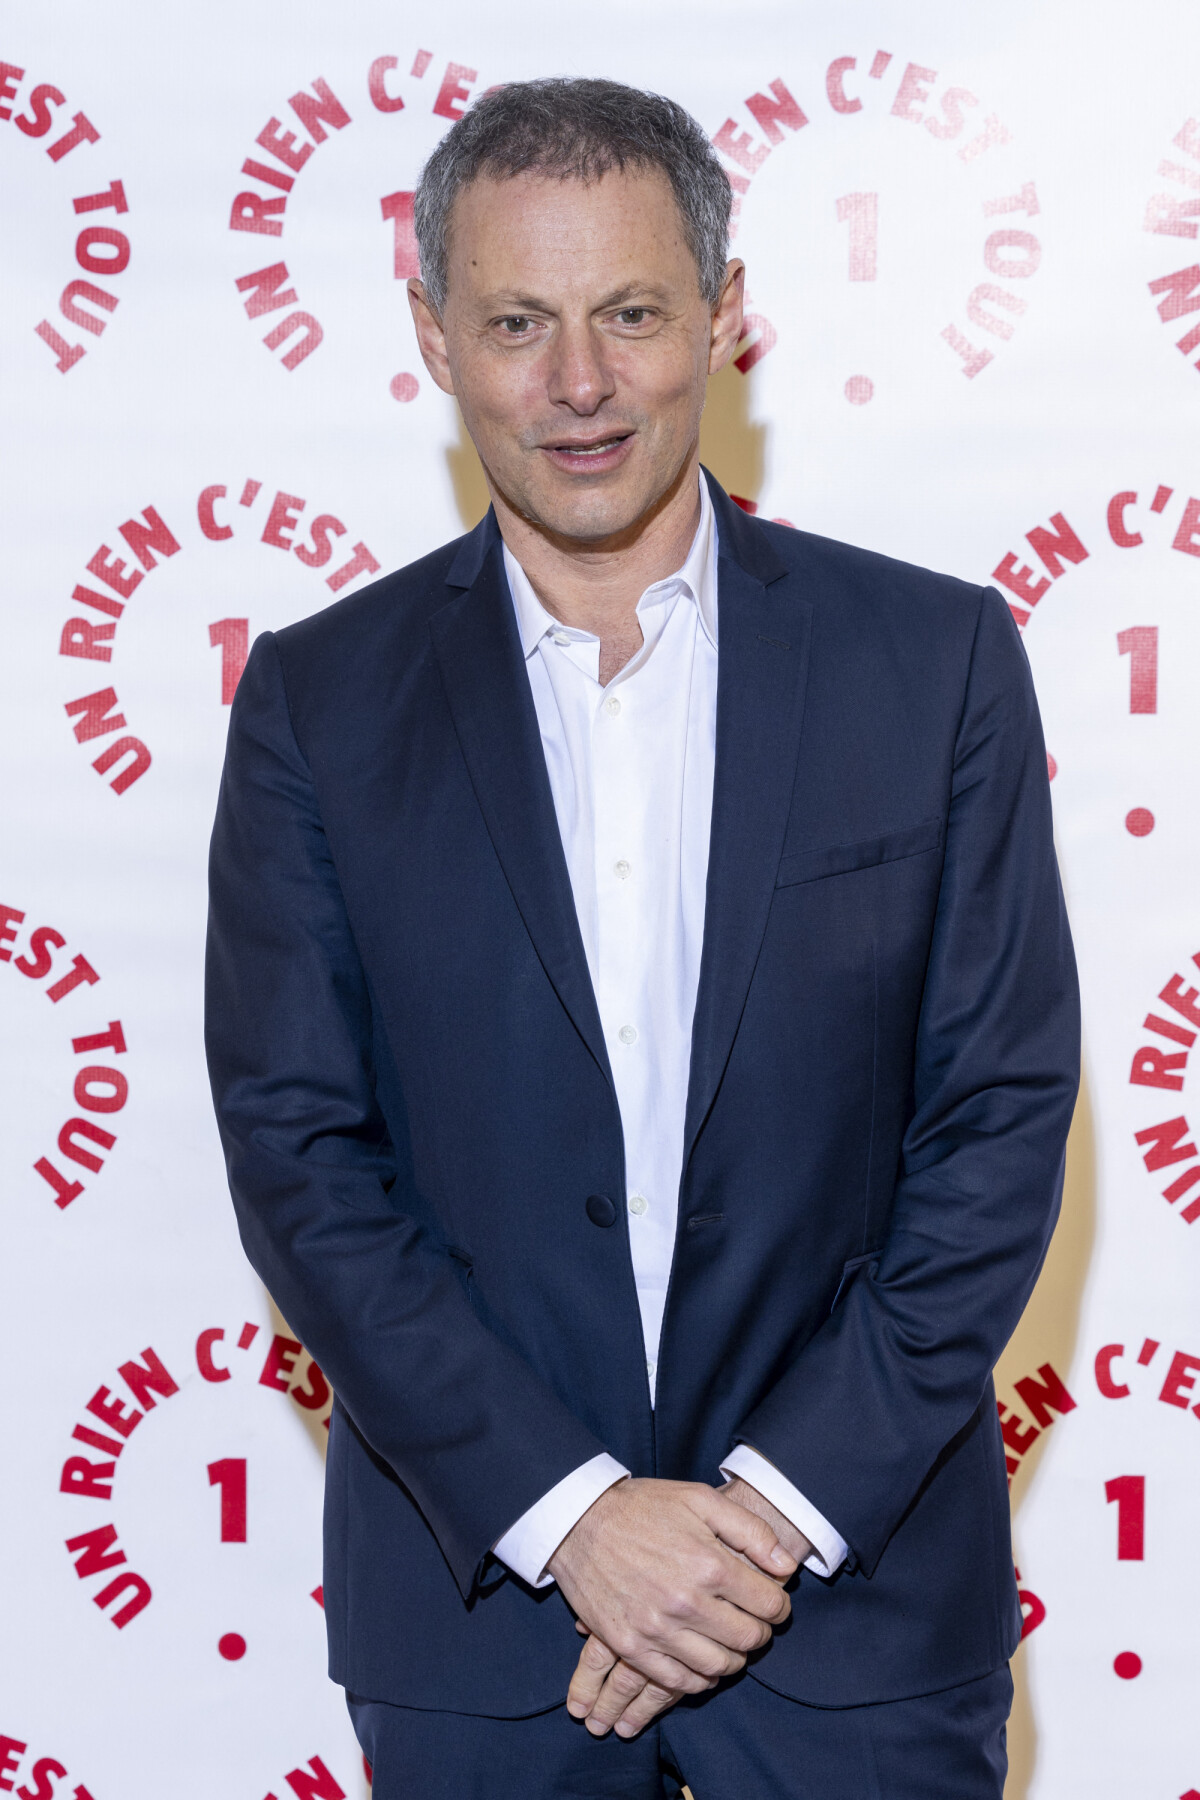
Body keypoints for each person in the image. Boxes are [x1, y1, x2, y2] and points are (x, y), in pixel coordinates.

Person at [205, 76, 1079, 1799]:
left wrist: (763, 1522)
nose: (579, 384)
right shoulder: (319, 702)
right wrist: (577, 1518)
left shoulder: (935, 662)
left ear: (725, 313)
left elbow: (995, 1128)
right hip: (486, 1630)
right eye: (519, 323)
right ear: (434, 336)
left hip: (862, 1614)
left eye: (630, 315)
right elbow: (302, 1156)